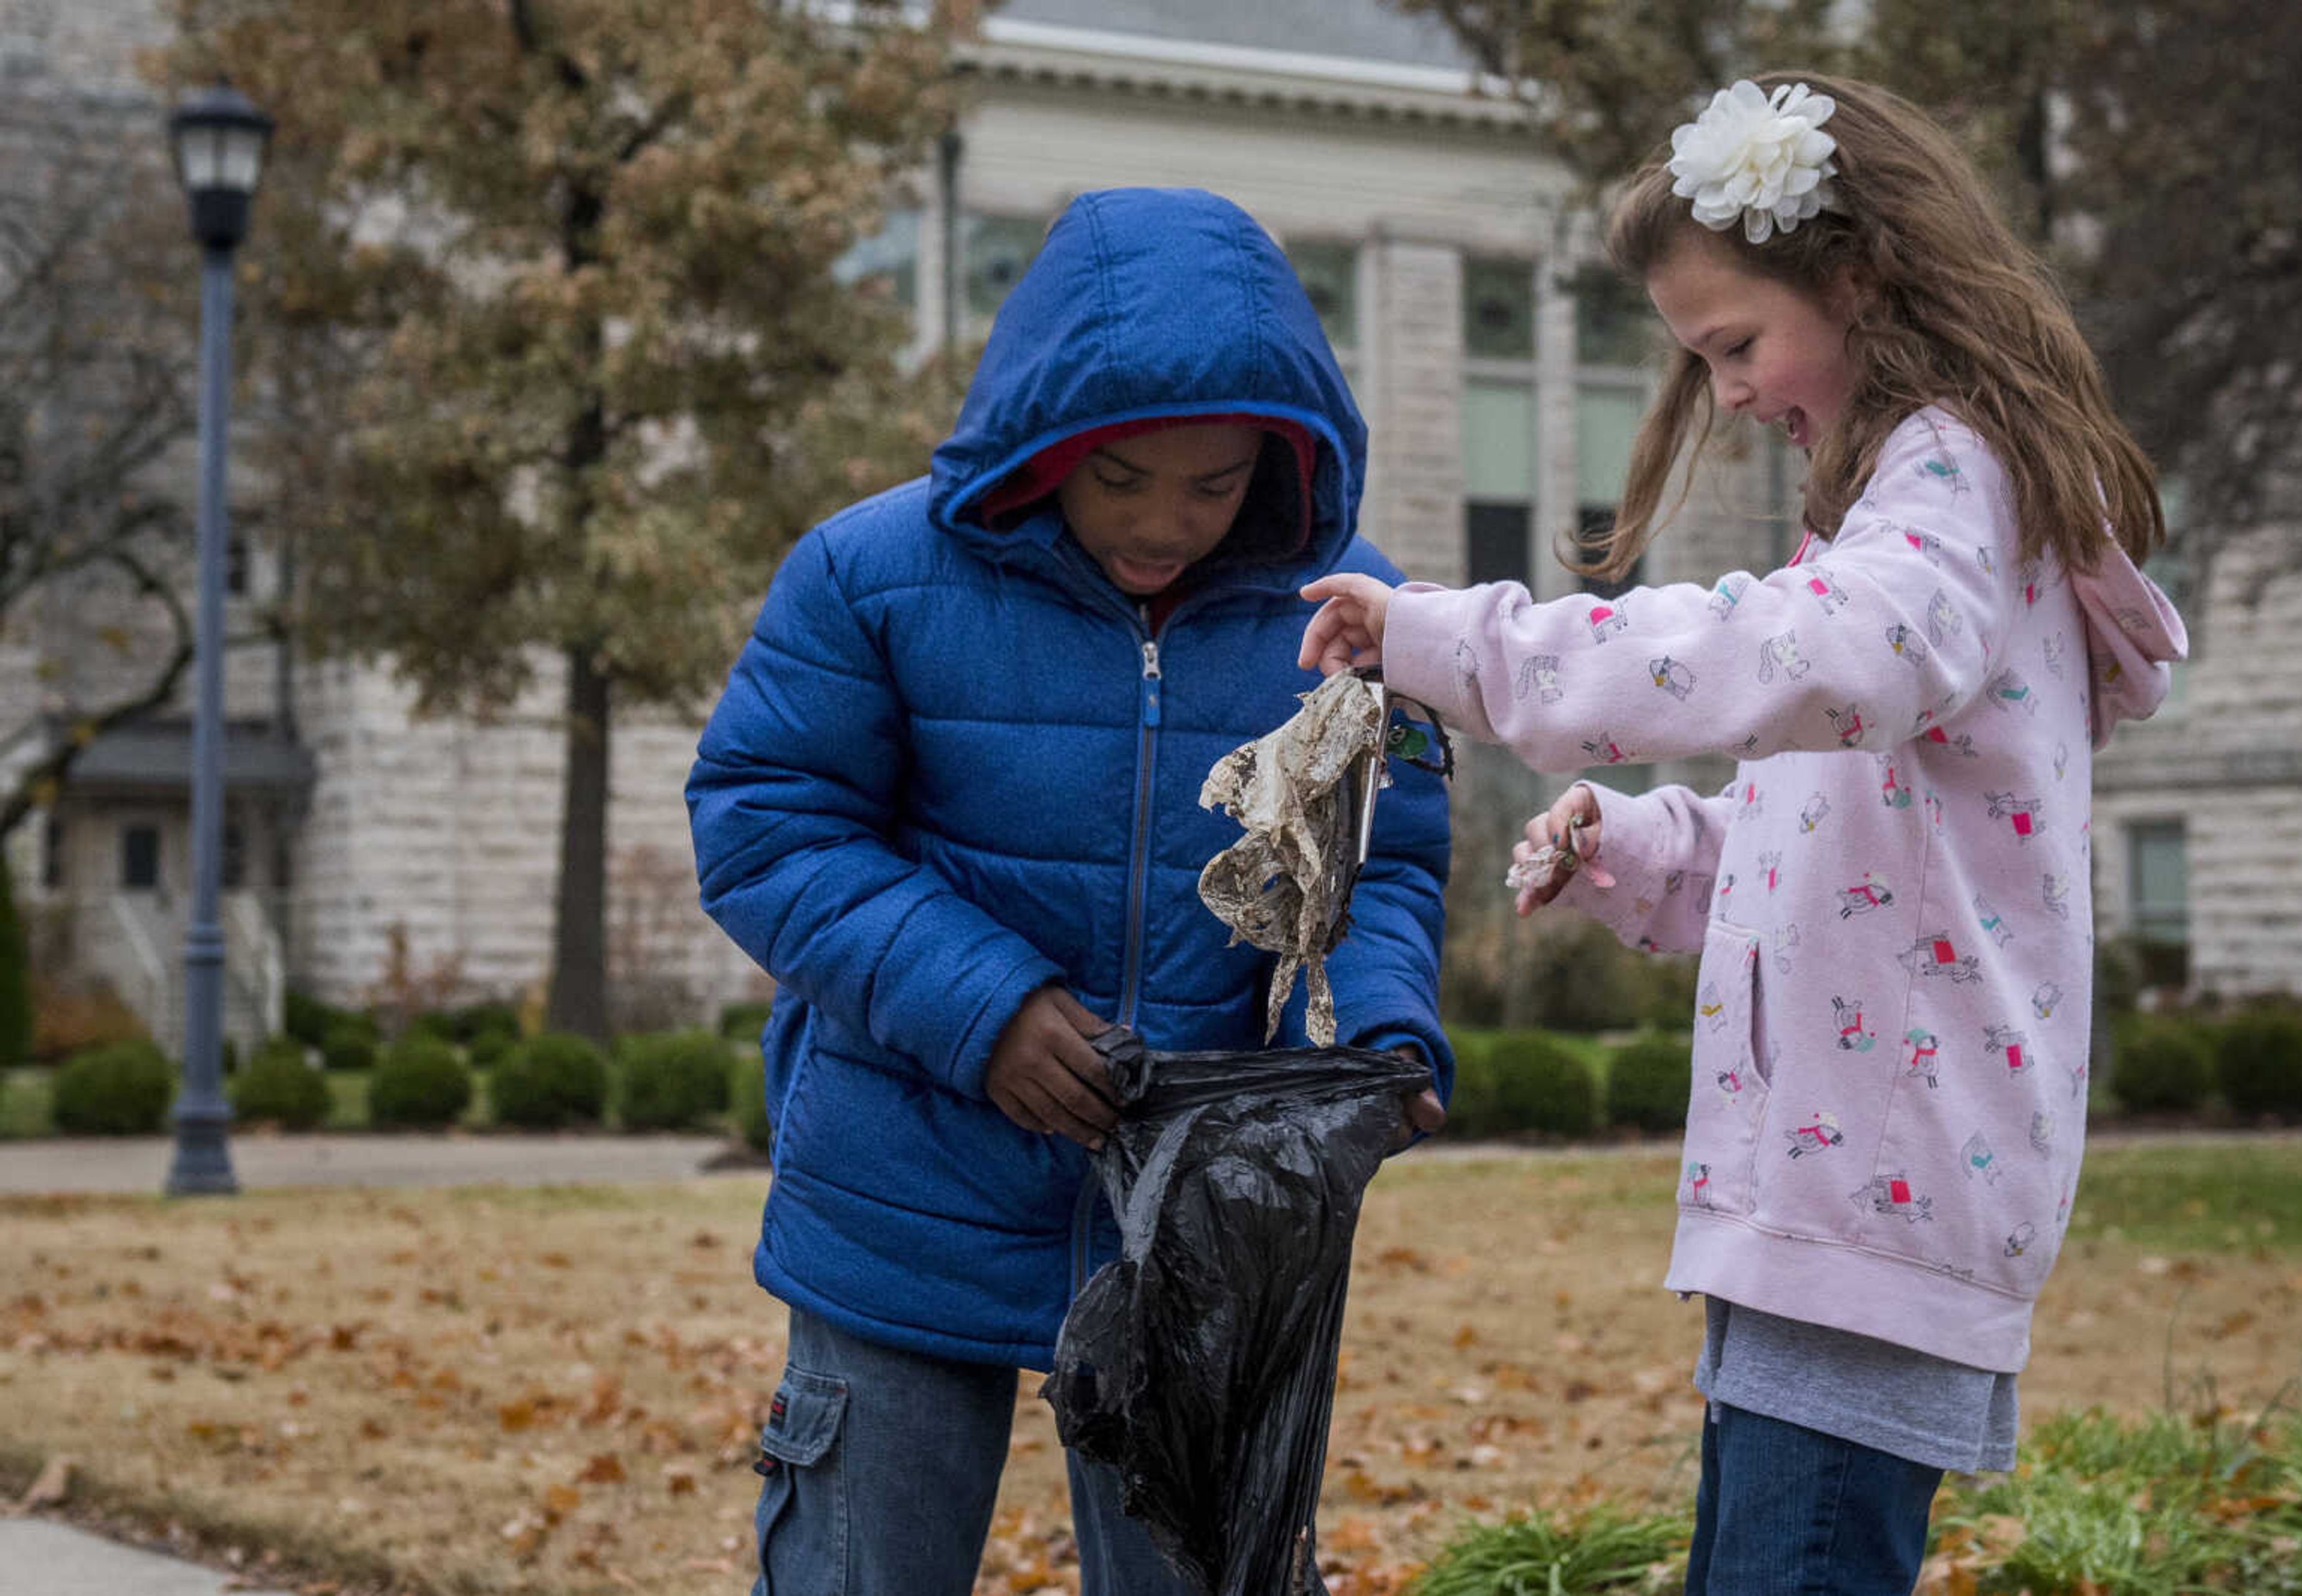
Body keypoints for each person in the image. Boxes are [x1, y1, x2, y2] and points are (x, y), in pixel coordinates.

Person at [1296, 73, 2188, 1596]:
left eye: (1736, 345)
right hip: (1830, 1193)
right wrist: (1645, 850)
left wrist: (1469, 645)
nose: (1724, 393)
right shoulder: (1909, 518)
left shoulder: (1950, 485)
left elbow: (1811, 653)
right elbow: (1851, 857)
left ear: (1857, 282)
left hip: (1872, 1204)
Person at [686, 186, 1454, 1596]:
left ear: (1279, 462)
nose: (1168, 523)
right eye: (1125, 481)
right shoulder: (869, 575)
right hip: (902, 1192)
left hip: (1203, 1230)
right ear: (1047, 443)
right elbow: (765, 828)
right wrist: (987, 1011)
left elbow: (1381, 865)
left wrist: (1371, 1040)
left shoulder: (1350, 617)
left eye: (1215, 486)